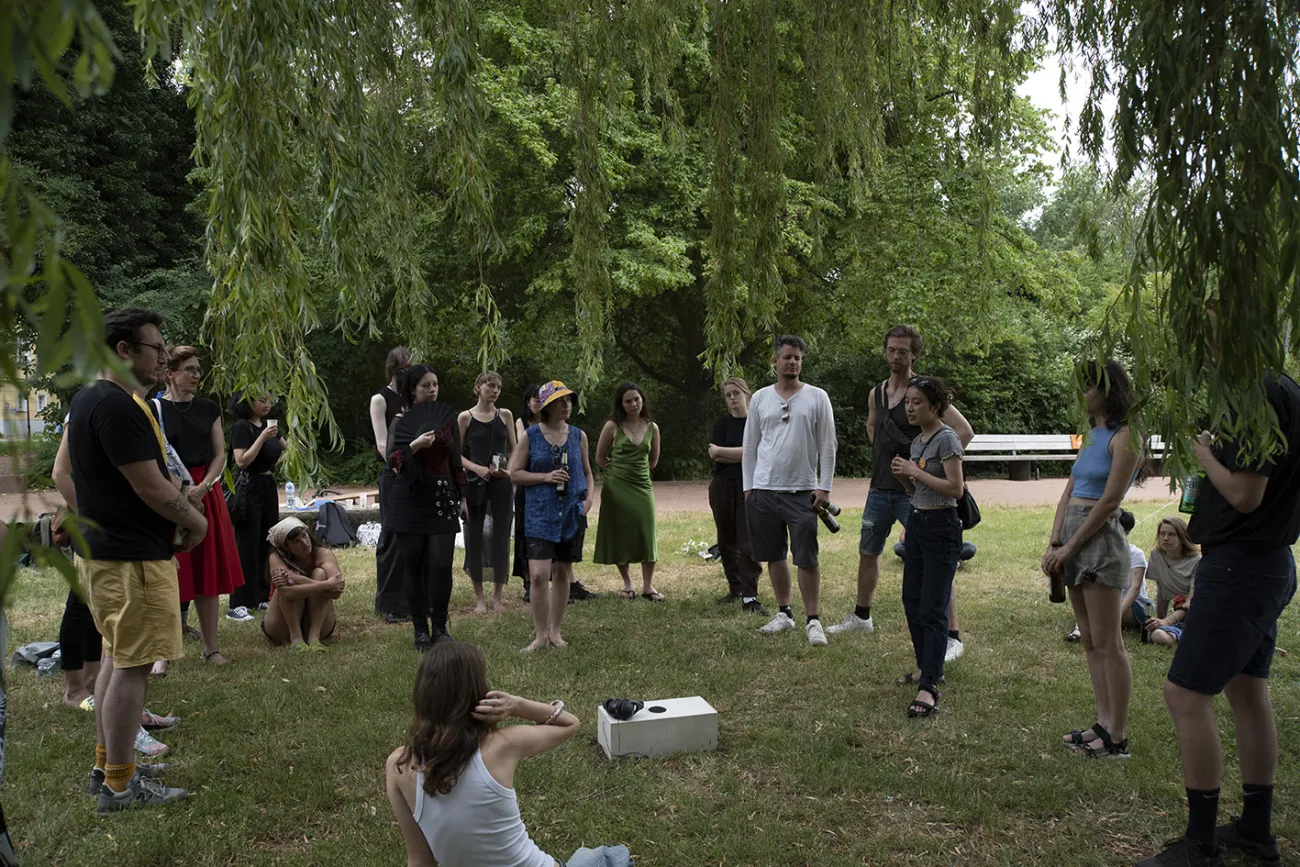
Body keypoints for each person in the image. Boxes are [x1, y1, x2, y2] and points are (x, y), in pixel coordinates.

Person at [1135, 370, 1300, 867]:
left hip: (1240, 567)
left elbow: (1247, 494)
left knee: (1185, 694)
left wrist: (1202, 451)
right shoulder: (1284, 386)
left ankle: (1201, 844)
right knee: (1247, 691)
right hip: (1265, 562)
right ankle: (1255, 830)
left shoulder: (1258, 391)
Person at [65, 307, 204, 811]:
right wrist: (196, 522)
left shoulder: (90, 399)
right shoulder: (117, 406)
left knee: (116, 659)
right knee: (133, 666)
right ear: (123, 350)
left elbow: (71, 474)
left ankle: (109, 767)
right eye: (156, 348)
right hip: (130, 561)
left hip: (107, 556)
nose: (164, 358)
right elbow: (150, 486)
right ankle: (121, 787)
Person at [385, 642, 633, 867]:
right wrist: (516, 705)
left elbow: (420, 860)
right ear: (477, 693)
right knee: (611, 856)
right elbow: (570, 724)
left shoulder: (397, 765)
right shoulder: (501, 745)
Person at [829, 325, 974, 666]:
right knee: (868, 551)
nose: (896, 356)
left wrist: (929, 465)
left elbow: (963, 431)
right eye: (891, 349)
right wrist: (888, 460)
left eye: (903, 351)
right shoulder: (876, 393)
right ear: (885, 352)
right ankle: (861, 616)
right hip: (880, 488)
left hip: (918, 494)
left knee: (937, 561)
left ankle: (952, 636)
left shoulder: (924, 392)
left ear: (914, 355)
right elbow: (872, 427)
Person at [1044, 360, 1144, 760]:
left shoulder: (1126, 435)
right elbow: (1068, 492)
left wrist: (1070, 547)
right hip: (1072, 533)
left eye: (1088, 387)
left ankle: (1117, 736)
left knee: (1108, 641)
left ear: (1109, 390)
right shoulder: (1091, 435)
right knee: (1088, 639)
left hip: (1100, 539)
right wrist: (1054, 542)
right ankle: (1102, 724)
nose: (1082, 394)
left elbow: (1110, 501)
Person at [742, 335, 837, 647]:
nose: (793, 362)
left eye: (797, 357)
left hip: (802, 491)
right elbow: (750, 446)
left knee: (806, 557)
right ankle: (784, 613)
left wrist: (824, 487)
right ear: (775, 361)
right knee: (774, 555)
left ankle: (813, 620)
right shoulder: (760, 398)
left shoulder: (817, 397)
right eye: (787, 357)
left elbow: (828, 444)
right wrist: (749, 489)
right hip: (764, 490)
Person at [158, 347, 242, 665]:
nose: (196, 375)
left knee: (207, 572)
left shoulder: (208, 408)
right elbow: (153, 456)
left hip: (205, 491)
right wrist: (178, 492)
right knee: (167, 572)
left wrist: (203, 486)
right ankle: (162, 654)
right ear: (170, 373)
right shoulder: (153, 409)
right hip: (167, 491)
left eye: (198, 369)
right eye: (189, 369)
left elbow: (219, 454)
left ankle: (212, 649)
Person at [889, 377, 966, 717]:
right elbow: (917, 491)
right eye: (907, 402)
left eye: (917, 402)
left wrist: (915, 473)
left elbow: (955, 489)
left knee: (933, 607)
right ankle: (927, 667)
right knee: (912, 599)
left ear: (934, 407)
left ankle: (929, 686)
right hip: (917, 522)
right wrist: (904, 477)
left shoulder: (946, 438)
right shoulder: (918, 441)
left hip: (941, 527)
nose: (909, 407)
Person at [383, 365, 468, 650]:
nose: (432, 390)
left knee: (441, 565)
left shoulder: (448, 420)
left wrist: (463, 497)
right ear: (412, 390)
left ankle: (440, 627)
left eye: (435, 384)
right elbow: (392, 461)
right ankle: (420, 629)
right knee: (413, 564)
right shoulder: (400, 421)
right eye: (425, 386)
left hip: (442, 495)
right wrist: (415, 446)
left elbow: (456, 460)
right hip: (409, 497)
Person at [508, 381, 594, 652]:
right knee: (537, 576)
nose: (566, 405)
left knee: (562, 573)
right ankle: (539, 635)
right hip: (539, 513)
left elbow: (588, 473)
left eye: (569, 400)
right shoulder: (531, 435)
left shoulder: (578, 435)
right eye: (560, 401)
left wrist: (588, 501)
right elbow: (514, 473)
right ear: (546, 406)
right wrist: (545, 477)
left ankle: (555, 632)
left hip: (570, 514)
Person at [594, 382, 662, 600]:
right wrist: (617, 471)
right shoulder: (612, 426)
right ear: (621, 404)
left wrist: (636, 471)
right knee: (620, 532)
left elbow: (653, 462)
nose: (633, 404)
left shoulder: (652, 428)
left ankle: (648, 586)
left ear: (643, 400)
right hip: (616, 486)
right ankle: (627, 584)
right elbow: (599, 457)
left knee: (646, 532)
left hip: (642, 485)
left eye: (636, 399)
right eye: (628, 401)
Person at [458, 371, 516, 613]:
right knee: (475, 537)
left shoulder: (505, 415)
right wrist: (476, 468)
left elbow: (515, 449)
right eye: (490, 386)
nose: (495, 391)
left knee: (501, 537)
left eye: (498, 387)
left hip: (501, 484)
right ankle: (479, 598)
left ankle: (497, 597)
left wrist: (508, 471)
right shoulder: (465, 417)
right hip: (475, 483)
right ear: (478, 387)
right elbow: (455, 455)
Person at [708, 377, 766, 615]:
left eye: (736, 393)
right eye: (728, 395)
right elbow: (714, 454)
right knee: (726, 540)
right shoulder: (721, 424)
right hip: (722, 485)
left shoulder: (757, 423)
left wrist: (726, 452)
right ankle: (736, 588)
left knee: (747, 541)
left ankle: (750, 594)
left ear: (746, 394)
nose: (732, 398)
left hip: (749, 485)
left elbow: (759, 453)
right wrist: (743, 453)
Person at [228, 392, 285, 621]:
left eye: (269, 400)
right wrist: (262, 437)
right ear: (247, 402)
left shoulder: (271, 426)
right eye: (261, 400)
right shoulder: (243, 427)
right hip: (248, 486)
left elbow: (286, 451)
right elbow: (241, 461)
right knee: (247, 544)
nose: (267, 404)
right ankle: (238, 603)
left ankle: (261, 596)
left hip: (268, 485)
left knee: (267, 541)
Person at [1064, 508, 1154, 642]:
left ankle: (1080, 631)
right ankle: (1082, 629)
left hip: (1134, 606)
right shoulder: (1101, 553)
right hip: (1109, 601)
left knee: (1107, 603)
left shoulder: (1135, 553)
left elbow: (1134, 589)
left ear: (1126, 532)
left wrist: (1116, 616)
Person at [371, 346, 412, 623]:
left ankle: (410, 600)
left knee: (412, 538)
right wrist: (401, 461)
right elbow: (382, 443)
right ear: (393, 369)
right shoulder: (380, 399)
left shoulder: (414, 398)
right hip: (394, 473)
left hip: (415, 473)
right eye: (404, 368)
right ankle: (388, 602)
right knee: (391, 537)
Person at [262, 518, 344, 651]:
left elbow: (336, 592)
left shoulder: (323, 554)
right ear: (286, 547)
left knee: (319, 573)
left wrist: (299, 579)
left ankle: (314, 637)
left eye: (304, 535)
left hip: (319, 623)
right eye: (296, 541)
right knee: (290, 583)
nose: (304, 542)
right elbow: (286, 593)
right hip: (282, 626)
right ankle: (296, 638)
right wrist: (326, 585)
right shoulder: (276, 557)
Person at [1147, 516, 1201, 618]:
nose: (1166, 538)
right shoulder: (1156, 555)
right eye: (1162, 534)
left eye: (1171, 534)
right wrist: (1160, 619)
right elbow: (1162, 590)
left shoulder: (1196, 561)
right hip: (1178, 607)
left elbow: (1192, 598)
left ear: (1182, 537)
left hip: (1194, 608)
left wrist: (1169, 620)